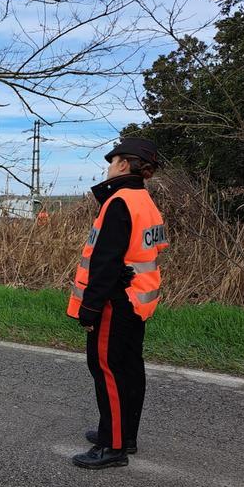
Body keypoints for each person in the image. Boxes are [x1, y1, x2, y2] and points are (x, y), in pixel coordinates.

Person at [67, 137, 168, 469]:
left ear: (124, 164)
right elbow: (145, 252)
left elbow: (105, 261)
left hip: (116, 301)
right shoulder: (144, 200)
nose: (108, 168)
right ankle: (124, 435)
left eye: (111, 162)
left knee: (107, 369)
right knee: (129, 367)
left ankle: (112, 448)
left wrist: (90, 308)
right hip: (138, 299)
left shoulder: (119, 202)